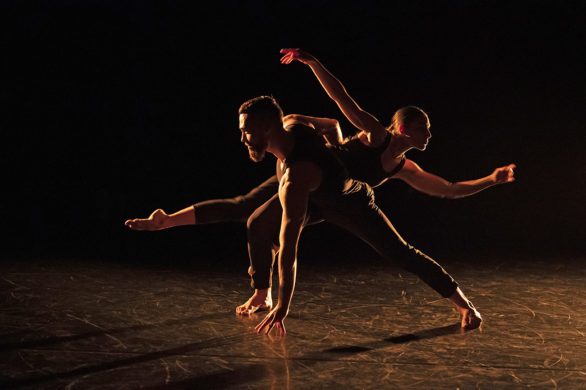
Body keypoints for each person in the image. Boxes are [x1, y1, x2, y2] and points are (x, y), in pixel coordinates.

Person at [235, 95, 490, 336]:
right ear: (404, 129)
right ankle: (262, 293)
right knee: (259, 223)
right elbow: (340, 105)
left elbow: (448, 189)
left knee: (401, 253)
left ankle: (465, 305)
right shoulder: (375, 136)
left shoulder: (399, 162)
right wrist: (312, 64)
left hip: (352, 202)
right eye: (424, 128)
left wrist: (284, 305)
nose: (430, 134)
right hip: (315, 195)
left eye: (246, 131)